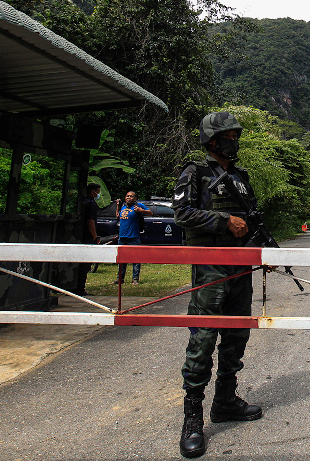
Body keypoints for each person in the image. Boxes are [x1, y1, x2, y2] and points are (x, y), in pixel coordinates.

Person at [172, 112, 263, 459]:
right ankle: (192, 416)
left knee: (237, 333)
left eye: (237, 135)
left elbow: (251, 217)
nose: (235, 140)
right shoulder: (195, 173)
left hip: (241, 267)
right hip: (211, 268)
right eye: (230, 135)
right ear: (213, 140)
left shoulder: (241, 177)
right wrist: (224, 220)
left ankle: (225, 400)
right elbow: (183, 214)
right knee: (204, 335)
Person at [114, 191, 150, 285]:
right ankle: (120, 278)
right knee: (121, 259)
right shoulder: (123, 206)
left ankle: (135, 279)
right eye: (127, 196)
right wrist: (117, 207)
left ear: (135, 198)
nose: (128, 198)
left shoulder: (138, 205)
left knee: (136, 259)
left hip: (133, 236)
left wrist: (140, 210)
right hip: (122, 237)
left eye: (131, 196)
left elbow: (150, 212)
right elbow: (118, 216)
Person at [78, 182, 101, 292]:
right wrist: (95, 236)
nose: (98, 195)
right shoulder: (91, 204)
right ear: (93, 192)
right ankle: (80, 288)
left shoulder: (81, 202)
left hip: (79, 236)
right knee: (85, 263)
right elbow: (90, 221)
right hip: (87, 237)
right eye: (98, 192)